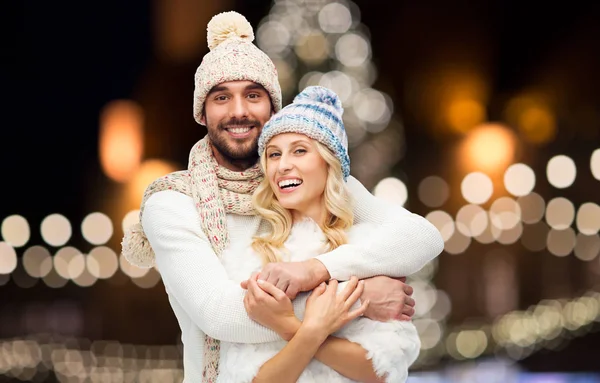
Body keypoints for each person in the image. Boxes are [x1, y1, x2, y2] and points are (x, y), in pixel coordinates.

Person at [121, 11, 443, 383]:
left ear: (272, 107)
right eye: (222, 97)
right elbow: (222, 314)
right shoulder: (173, 203)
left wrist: (315, 272)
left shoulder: (302, 183)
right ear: (202, 112)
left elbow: (423, 237)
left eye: (253, 95)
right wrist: (362, 297)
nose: (239, 111)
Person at [216, 86, 421, 383]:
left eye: (300, 150)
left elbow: (381, 371)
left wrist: (288, 325)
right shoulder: (250, 254)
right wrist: (316, 324)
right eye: (273, 154)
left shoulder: (368, 248)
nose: (283, 165)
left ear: (329, 162)